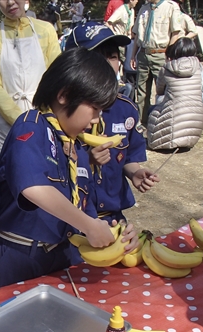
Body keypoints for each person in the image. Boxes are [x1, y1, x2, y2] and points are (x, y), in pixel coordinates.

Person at [0, 49, 139, 291]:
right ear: (64, 95)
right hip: (20, 257)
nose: (97, 119)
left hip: (63, 256)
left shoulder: (77, 148)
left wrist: (113, 233)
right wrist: (88, 225)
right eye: (94, 109)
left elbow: (83, 211)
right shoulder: (32, 126)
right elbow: (33, 187)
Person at [65, 22, 159, 223]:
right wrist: (87, 160)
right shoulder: (64, 113)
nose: (107, 63)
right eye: (98, 56)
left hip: (113, 217)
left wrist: (135, 173)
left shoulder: (127, 110)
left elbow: (129, 156)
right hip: (73, 218)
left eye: (113, 56)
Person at [0, 0, 61, 160]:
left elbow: (57, 76)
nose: (10, 2)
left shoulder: (46, 30)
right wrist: (20, 121)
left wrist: (40, 119)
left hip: (43, 117)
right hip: (5, 125)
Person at [146, 37, 203, 150]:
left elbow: (159, 91)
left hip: (172, 118)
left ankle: (159, 138)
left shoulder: (166, 68)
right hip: (196, 120)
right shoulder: (200, 68)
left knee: (153, 109)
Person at [131, 0, 182, 131]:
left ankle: (163, 124)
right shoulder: (143, 9)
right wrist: (133, 55)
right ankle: (143, 123)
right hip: (143, 54)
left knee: (163, 92)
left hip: (160, 53)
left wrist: (168, 54)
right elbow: (137, 35)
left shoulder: (170, 7)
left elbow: (175, 33)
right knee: (141, 92)